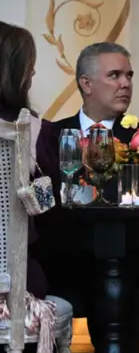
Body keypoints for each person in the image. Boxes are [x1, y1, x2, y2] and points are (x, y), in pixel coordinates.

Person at [33, 41, 137, 342]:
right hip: (60, 264)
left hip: (125, 264)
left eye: (129, 76)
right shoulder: (49, 135)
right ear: (86, 84)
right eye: (114, 75)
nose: (125, 84)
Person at [0, 21, 50, 301]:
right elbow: (48, 208)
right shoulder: (33, 130)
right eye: (29, 65)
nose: (33, 73)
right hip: (16, 284)